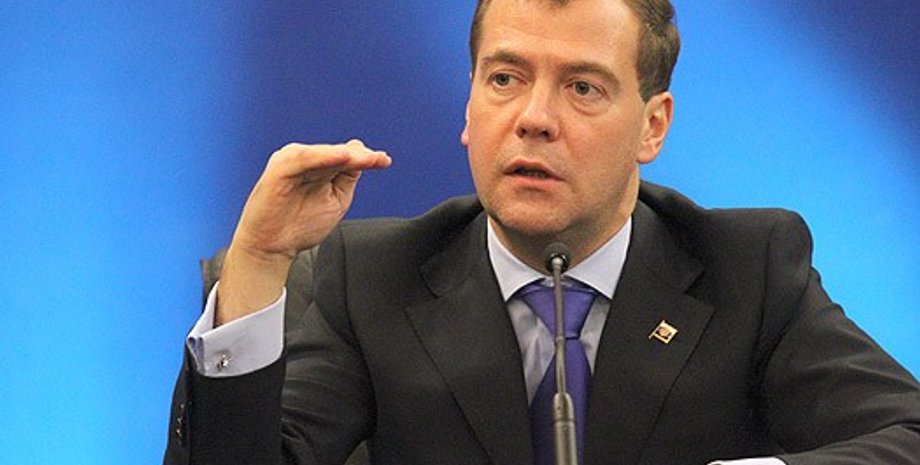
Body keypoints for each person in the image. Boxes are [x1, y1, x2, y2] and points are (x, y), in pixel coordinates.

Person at [163, 0, 920, 464]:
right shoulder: (368, 279)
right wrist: (258, 263)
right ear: (469, 105)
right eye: (505, 79)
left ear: (652, 126)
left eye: (582, 87)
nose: (533, 118)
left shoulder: (746, 270)